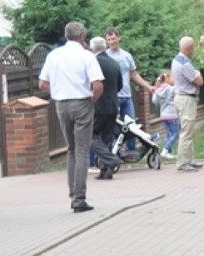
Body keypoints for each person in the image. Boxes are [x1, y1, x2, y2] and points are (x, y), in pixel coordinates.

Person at [38, 22, 103, 212]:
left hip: (61, 104)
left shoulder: (54, 55)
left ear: (66, 35)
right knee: (82, 150)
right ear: (82, 36)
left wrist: (59, 90)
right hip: (82, 103)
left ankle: (72, 194)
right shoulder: (86, 56)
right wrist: (92, 98)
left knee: (71, 150)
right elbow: (97, 85)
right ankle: (79, 199)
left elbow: (42, 84)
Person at [88, 35, 123, 180]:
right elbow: (120, 85)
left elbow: (91, 84)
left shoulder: (93, 62)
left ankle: (110, 160)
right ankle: (105, 170)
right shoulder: (114, 63)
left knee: (89, 135)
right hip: (113, 105)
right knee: (106, 138)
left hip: (99, 106)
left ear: (92, 48)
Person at [103, 28, 154, 123]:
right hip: (113, 98)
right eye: (108, 40)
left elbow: (133, 74)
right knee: (115, 128)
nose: (111, 42)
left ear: (118, 38)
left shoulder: (126, 56)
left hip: (127, 97)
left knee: (131, 126)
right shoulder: (104, 57)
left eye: (113, 39)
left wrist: (148, 86)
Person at [171, 37, 204, 173]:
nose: (194, 50)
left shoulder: (176, 60)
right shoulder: (185, 64)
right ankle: (183, 162)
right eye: (193, 47)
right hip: (186, 99)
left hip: (180, 97)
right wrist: (198, 73)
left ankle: (190, 159)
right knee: (187, 131)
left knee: (189, 130)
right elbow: (199, 81)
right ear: (189, 48)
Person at [152, 71, 180, 158]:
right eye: (171, 77)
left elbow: (154, 101)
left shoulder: (158, 90)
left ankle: (168, 153)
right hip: (172, 114)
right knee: (175, 134)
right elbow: (178, 92)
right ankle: (165, 150)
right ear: (167, 79)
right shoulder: (171, 89)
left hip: (163, 114)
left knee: (169, 133)